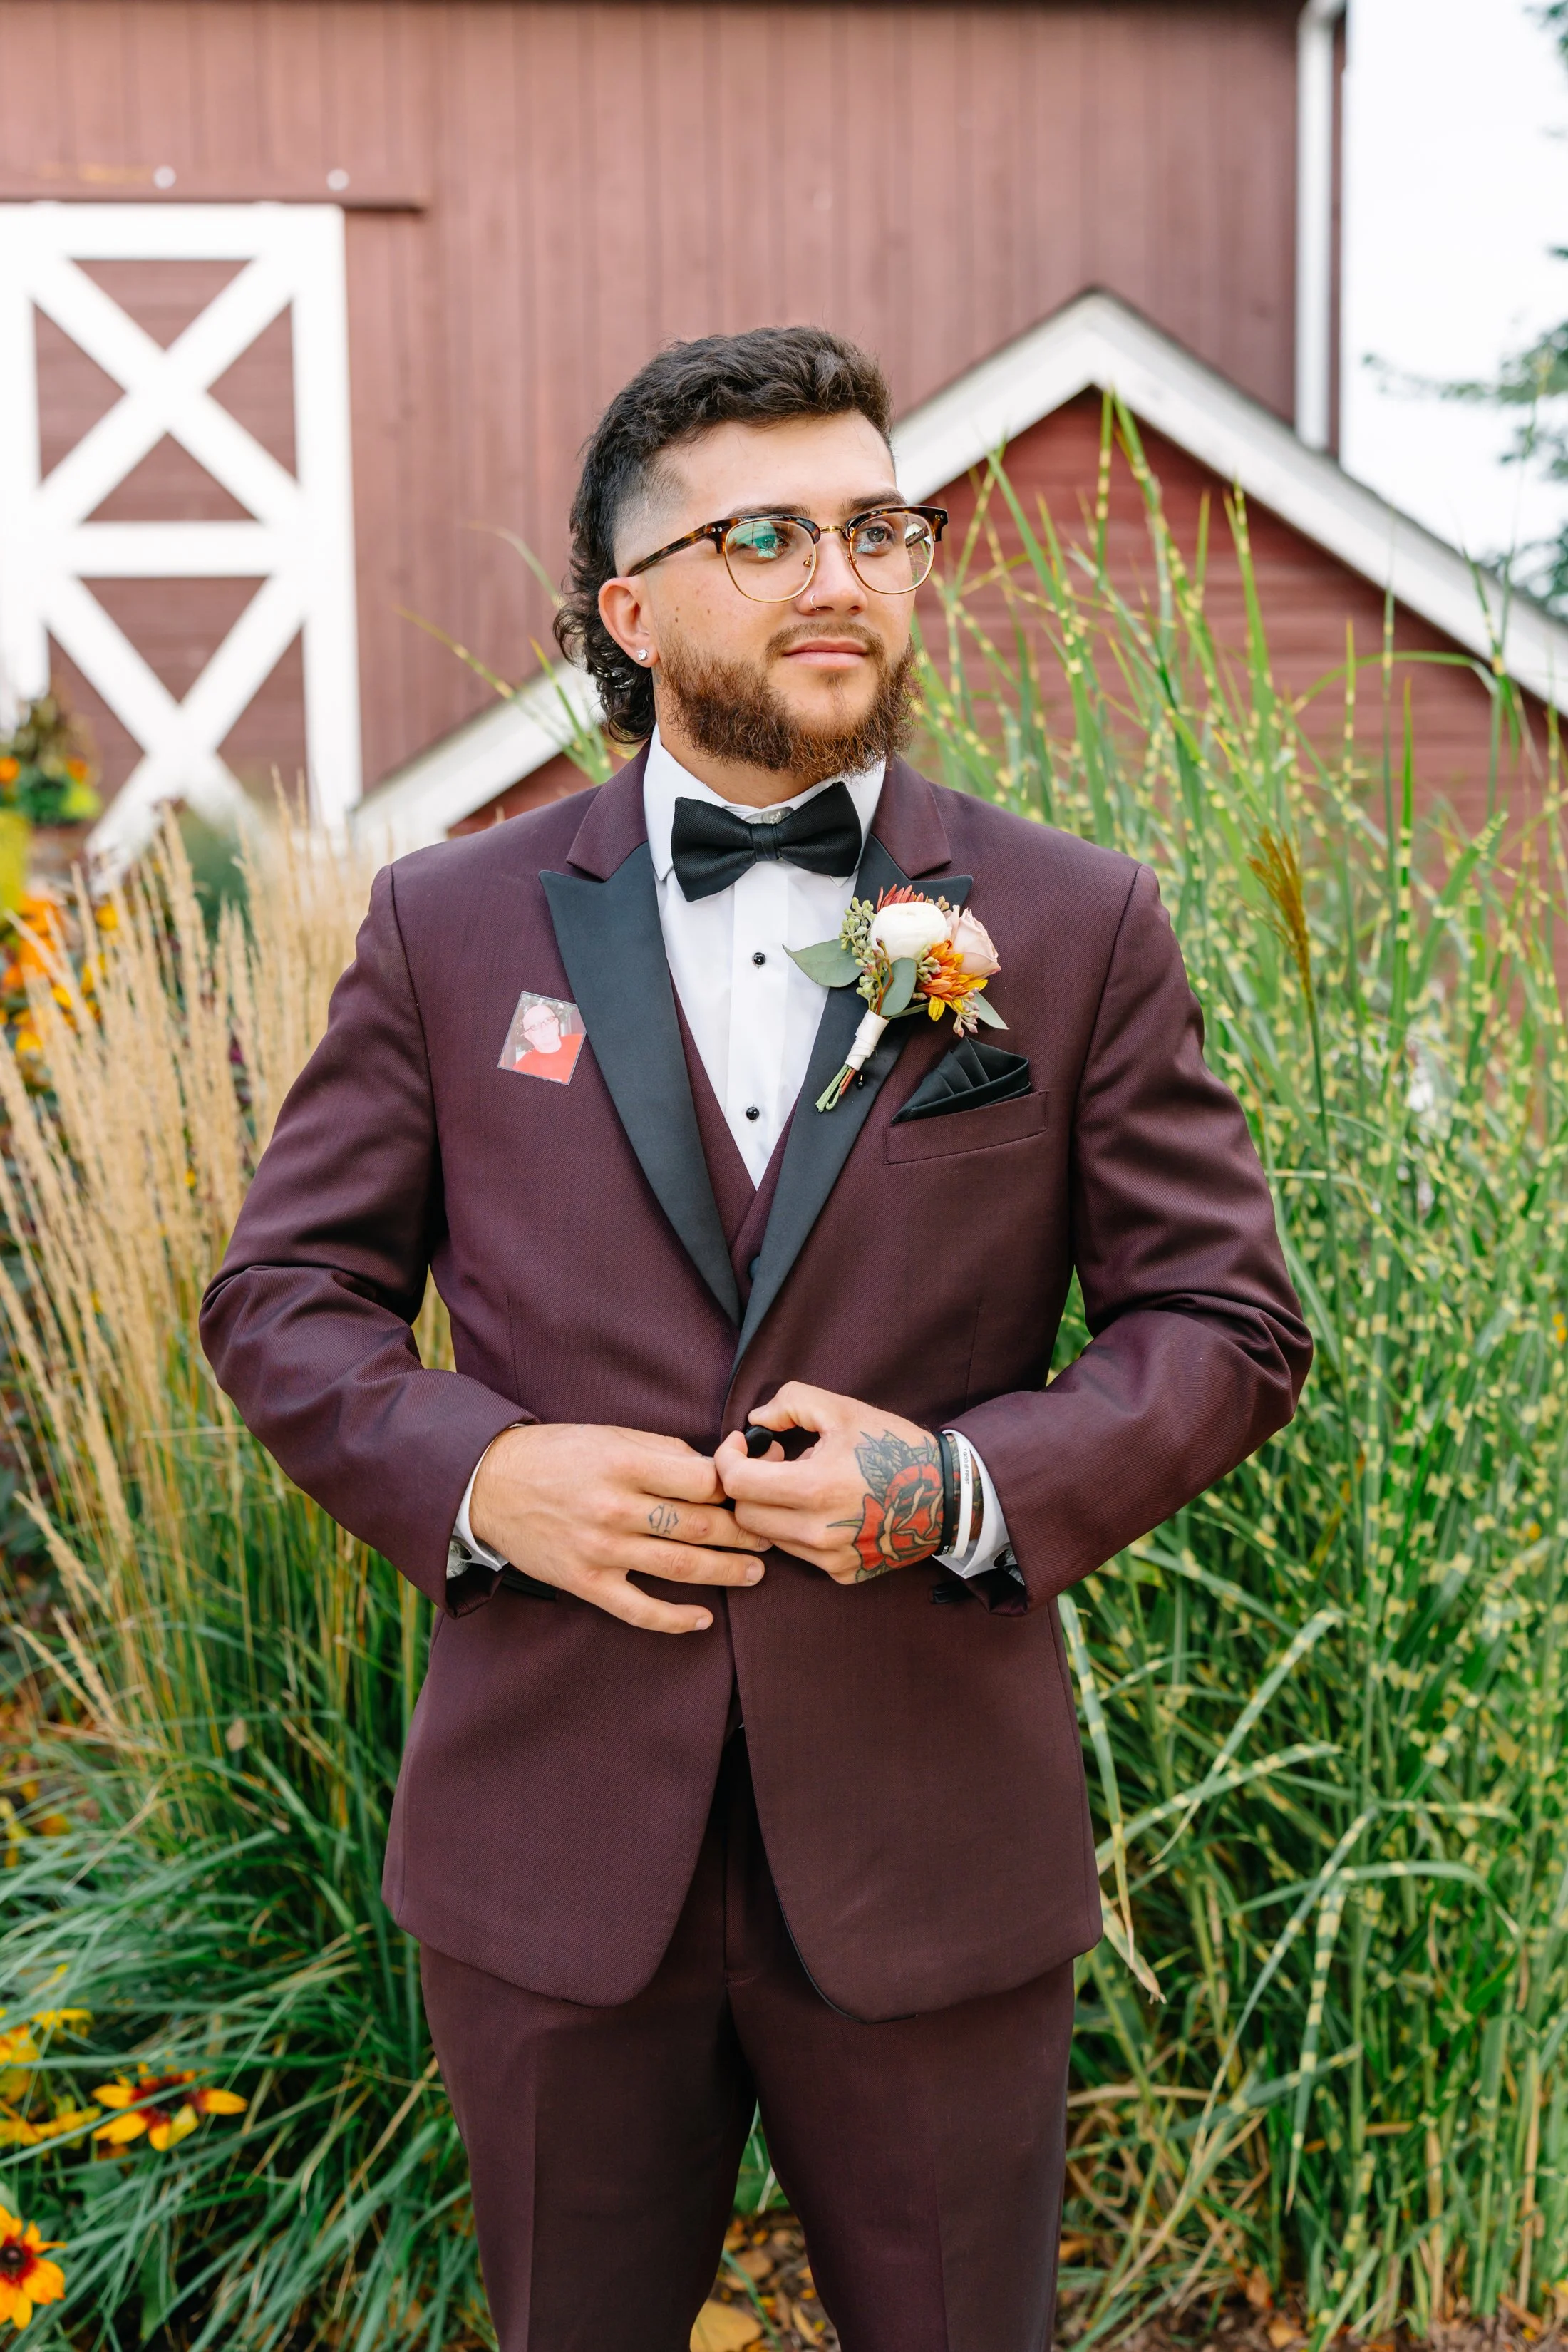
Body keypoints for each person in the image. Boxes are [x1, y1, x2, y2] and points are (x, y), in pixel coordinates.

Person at [200, 325, 1311, 2352]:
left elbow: (1229, 1319)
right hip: (552, 1852)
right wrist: (483, 1474)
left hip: (929, 1839)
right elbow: (282, 1299)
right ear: (631, 607)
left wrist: (968, 1484)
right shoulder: (450, 927)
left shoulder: (1069, 924)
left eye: (881, 523)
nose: (844, 574)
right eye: (771, 533)